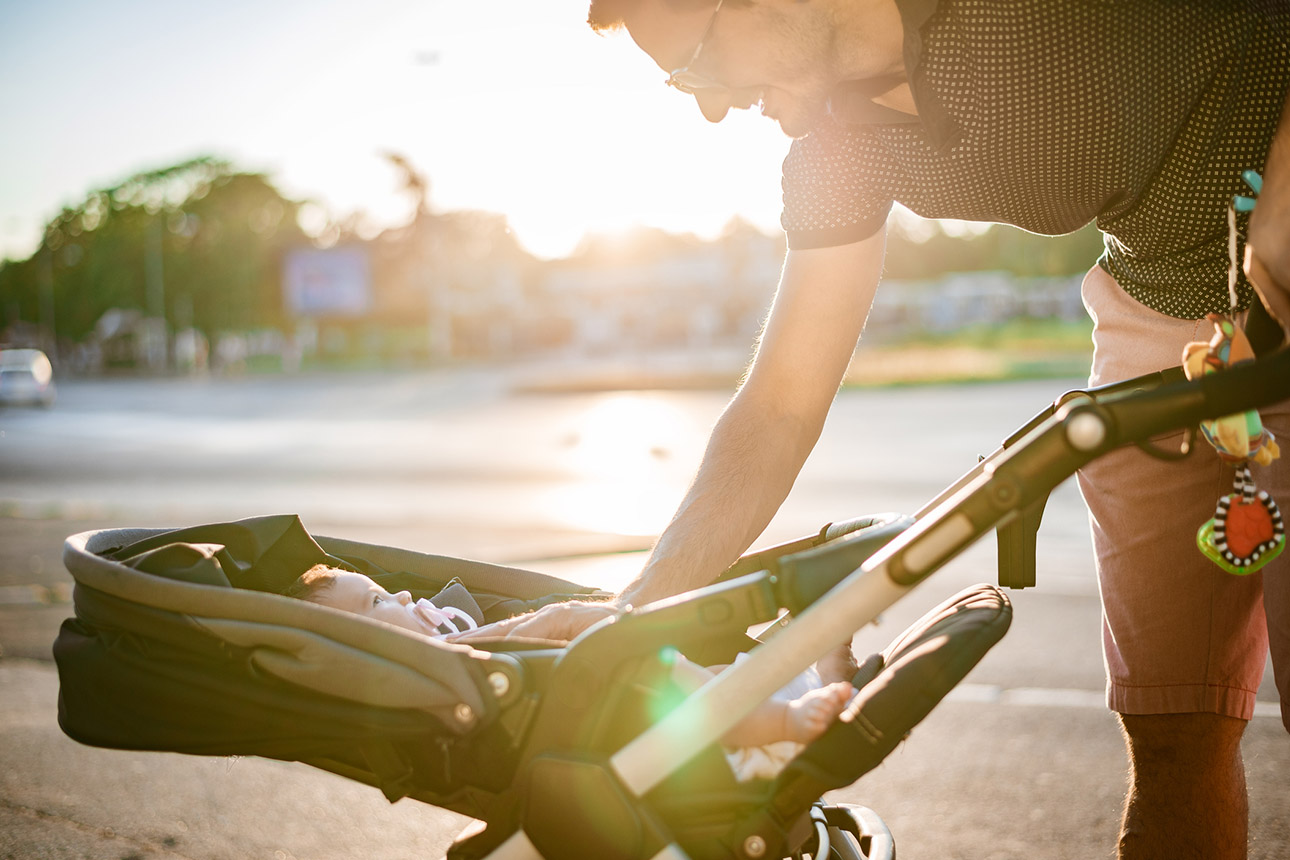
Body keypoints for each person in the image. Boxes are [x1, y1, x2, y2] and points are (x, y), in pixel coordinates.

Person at [502, 1, 1290, 857]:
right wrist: (634, 612)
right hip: (1161, 312)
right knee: (1171, 724)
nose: (710, 107)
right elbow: (779, 405)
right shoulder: (833, 150)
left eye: (695, 62)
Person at [284, 566, 857, 780]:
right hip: (630, 725)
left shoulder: (441, 632)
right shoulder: (430, 668)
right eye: (378, 602)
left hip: (635, 689)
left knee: (687, 667)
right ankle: (776, 720)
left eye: (384, 588)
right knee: (664, 671)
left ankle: (823, 664)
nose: (403, 594)